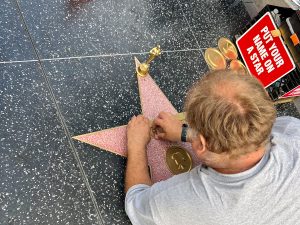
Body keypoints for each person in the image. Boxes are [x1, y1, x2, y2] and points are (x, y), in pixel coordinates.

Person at [124, 70, 300, 225]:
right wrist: (185, 133)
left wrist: (136, 145)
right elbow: (245, 134)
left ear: (201, 145)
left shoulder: (203, 205)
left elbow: (136, 203)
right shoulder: (292, 130)